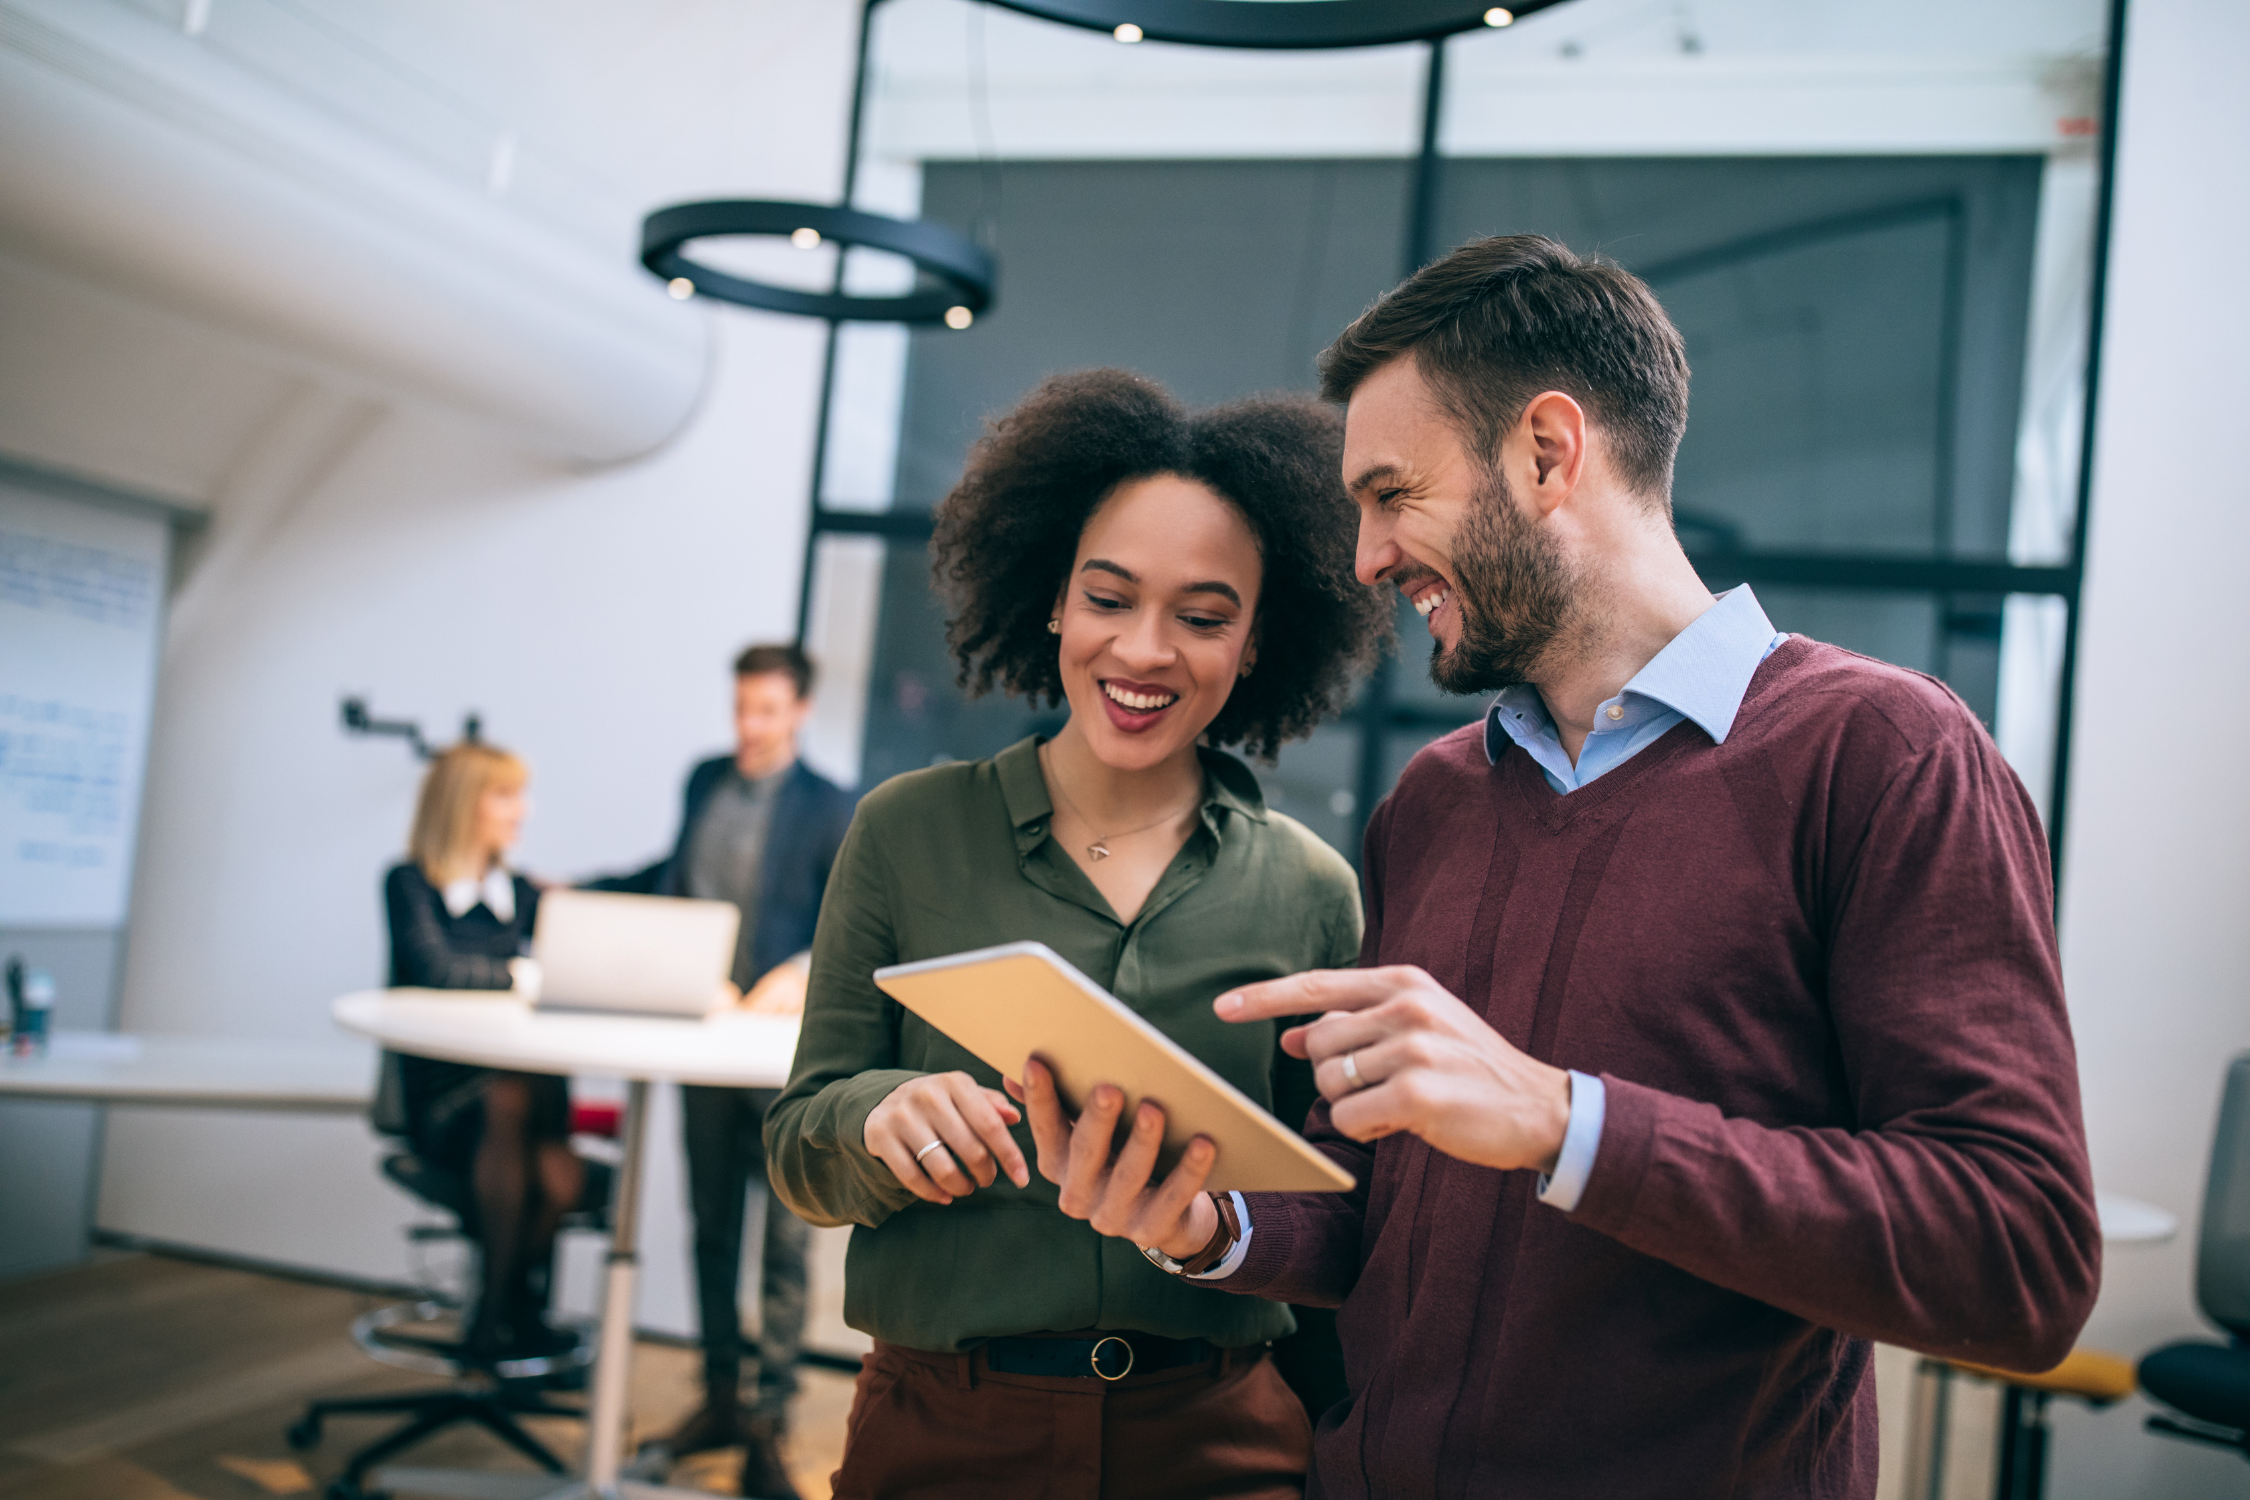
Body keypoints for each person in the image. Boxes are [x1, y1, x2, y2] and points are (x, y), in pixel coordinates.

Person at [1029, 236, 2103, 1499]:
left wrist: (1562, 1120)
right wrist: (1212, 1225)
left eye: (1391, 493)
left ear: (1547, 451)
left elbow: (2017, 1256)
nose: (1367, 556)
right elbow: (1378, 1200)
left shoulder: (1883, 754)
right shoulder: (1435, 798)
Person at [763, 370, 1392, 1500]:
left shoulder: (1311, 892)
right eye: (1108, 599)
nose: (1144, 652)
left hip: (1220, 1437)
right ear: (1052, 599)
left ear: (1255, 643)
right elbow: (800, 1145)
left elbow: (1341, 1219)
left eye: (1203, 618)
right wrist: (878, 1117)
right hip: (944, 1433)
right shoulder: (907, 833)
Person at [588, 643, 853, 1498]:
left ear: (799, 711)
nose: (750, 727)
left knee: (783, 1240)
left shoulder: (829, 805)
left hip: (778, 1058)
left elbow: (850, 917)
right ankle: (719, 1398)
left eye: (767, 711)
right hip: (702, 1044)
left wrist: (807, 965)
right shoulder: (705, 781)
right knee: (710, 1226)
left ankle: (768, 1422)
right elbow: (673, 879)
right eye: (742, 709)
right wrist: (580, 892)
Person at [383, 741, 584, 1367]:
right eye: (504, 795)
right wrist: (527, 974)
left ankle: (495, 1320)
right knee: (513, 1101)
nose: (520, 811)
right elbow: (435, 968)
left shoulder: (523, 893)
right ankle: (504, 1321)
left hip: (522, 1106)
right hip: (446, 1104)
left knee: (556, 1169)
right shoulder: (409, 883)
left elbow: (576, 960)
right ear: (462, 804)